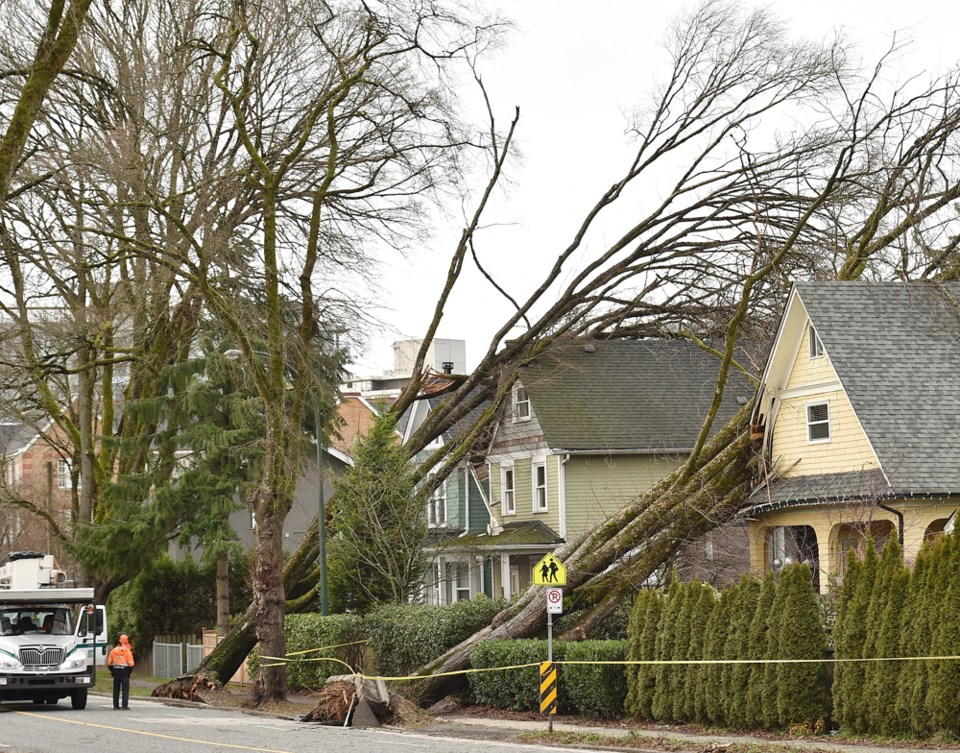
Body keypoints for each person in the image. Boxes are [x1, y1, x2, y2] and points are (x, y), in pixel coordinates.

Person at [106, 634, 135, 710]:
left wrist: (113, 671)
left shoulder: (113, 651)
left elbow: (109, 663)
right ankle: (124, 706)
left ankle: (115, 706)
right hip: (125, 672)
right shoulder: (128, 652)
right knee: (125, 689)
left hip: (116, 671)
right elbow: (131, 664)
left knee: (116, 689)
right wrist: (128, 672)